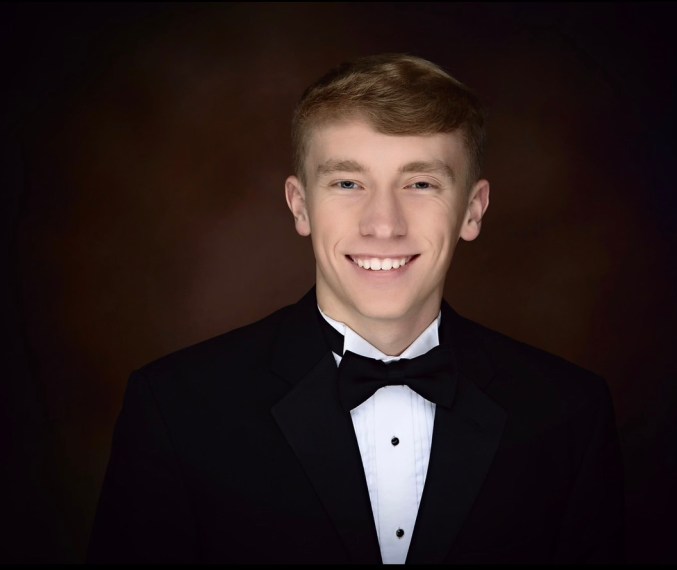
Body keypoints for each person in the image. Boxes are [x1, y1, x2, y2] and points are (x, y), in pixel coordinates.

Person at [87, 53, 624, 564]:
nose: (383, 224)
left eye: (420, 183)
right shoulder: (176, 409)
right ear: (301, 206)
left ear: (472, 210)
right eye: (348, 183)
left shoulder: (570, 414)